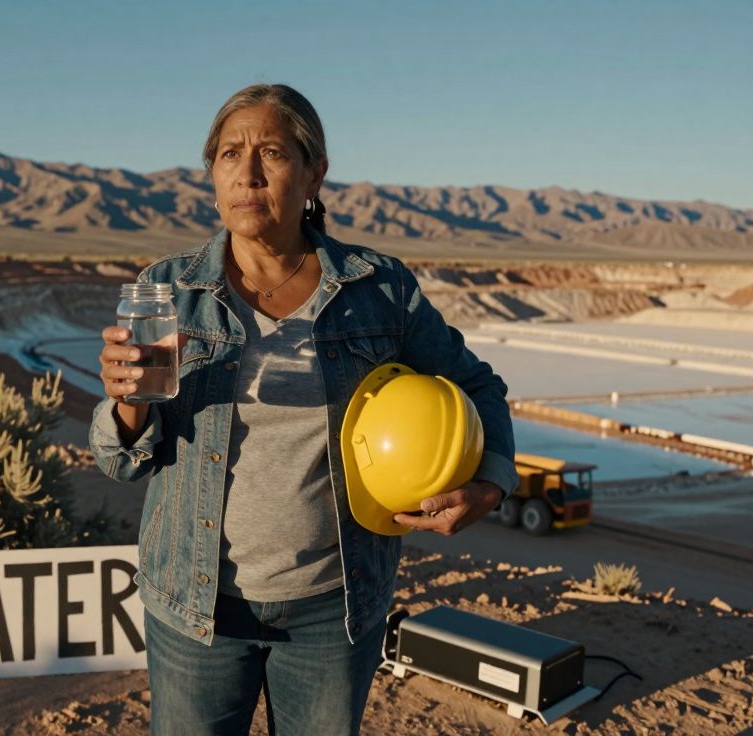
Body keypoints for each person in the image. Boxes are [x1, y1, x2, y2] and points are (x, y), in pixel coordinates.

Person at [90, 83, 517, 736]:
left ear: (314, 172)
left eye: (272, 152)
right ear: (212, 175)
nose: (248, 173)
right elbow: (123, 463)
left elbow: (479, 386)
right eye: (229, 153)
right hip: (196, 606)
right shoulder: (169, 291)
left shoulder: (378, 290)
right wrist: (126, 405)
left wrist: (490, 482)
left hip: (334, 606)